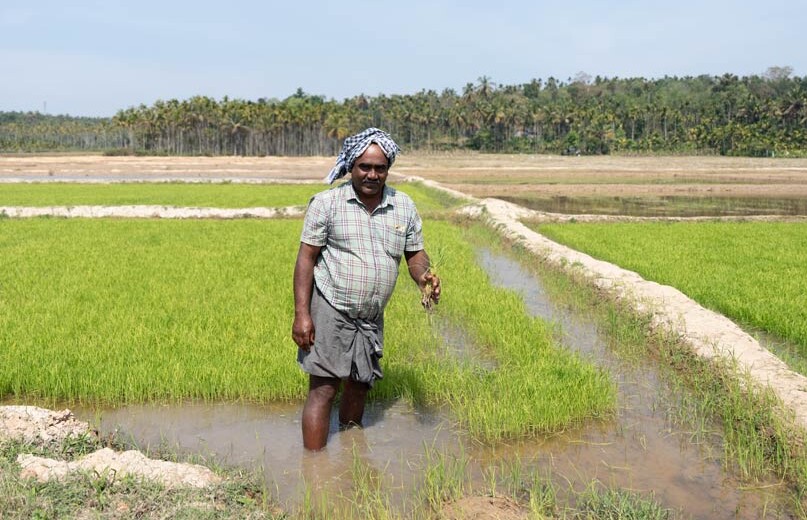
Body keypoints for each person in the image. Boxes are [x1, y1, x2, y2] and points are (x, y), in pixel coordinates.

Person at [291, 127, 441, 451]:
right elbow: (306, 258)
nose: (373, 175)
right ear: (351, 166)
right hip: (331, 306)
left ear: (388, 169)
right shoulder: (327, 203)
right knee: (324, 389)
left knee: (360, 385)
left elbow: (414, 254)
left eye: (380, 168)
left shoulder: (403, 205)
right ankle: (313, 467)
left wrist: (424, 278)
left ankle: (352, 457)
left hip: (371, 315)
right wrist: (302, 315)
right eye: (365, 167)